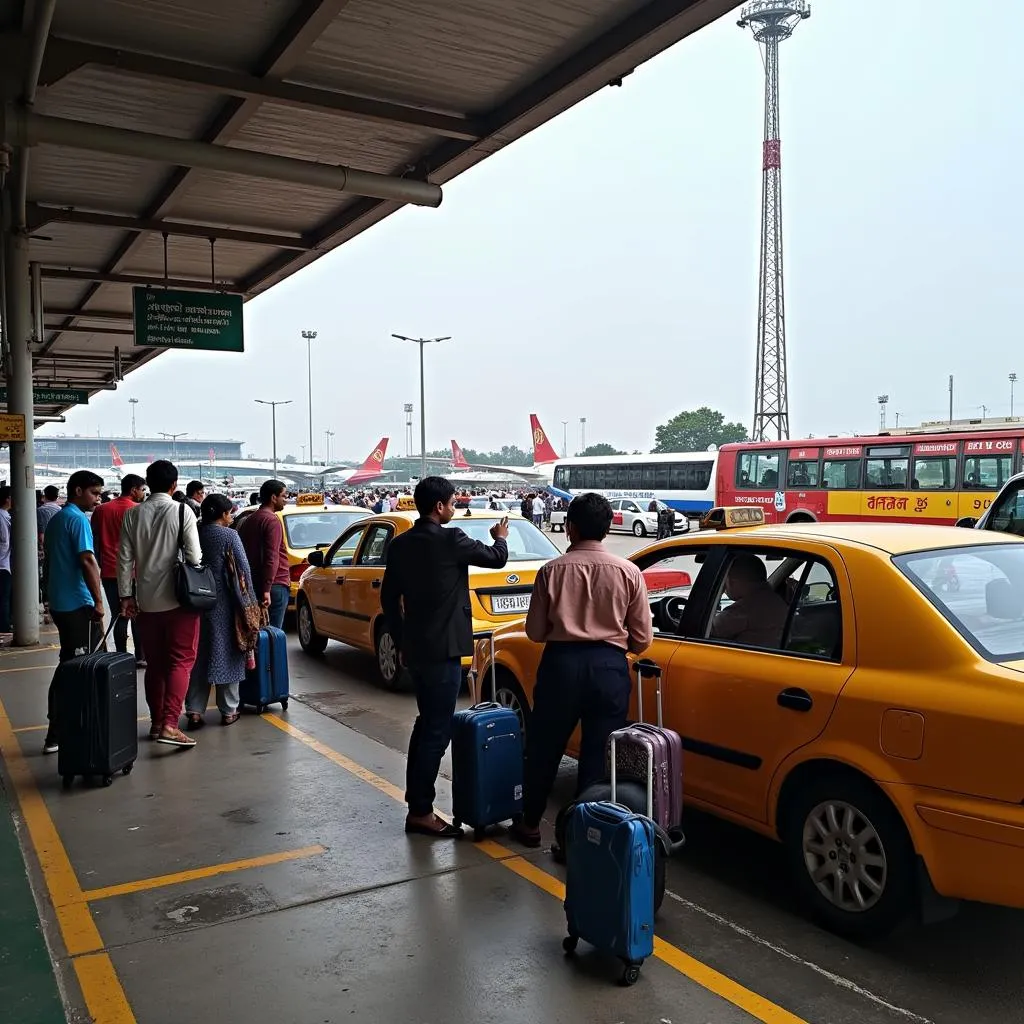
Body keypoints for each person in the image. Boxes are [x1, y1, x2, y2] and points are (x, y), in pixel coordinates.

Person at [511, 492, 653, 848]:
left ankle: (529, 825)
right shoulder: (629, 572)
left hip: (561, 665)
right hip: (609, 669)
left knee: (545, 747)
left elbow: (535, 632)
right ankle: (577, 837)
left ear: (570, 528)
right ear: (607, 529)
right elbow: (642, 639)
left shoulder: (550, 571)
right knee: (596, 755)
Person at [381, 476, 509, 839]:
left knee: (426, 725)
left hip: (417, 648)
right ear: (439, 506)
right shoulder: (452, 540)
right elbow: (496, 559)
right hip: (444, 652)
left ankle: (416, 803)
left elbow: (389, 599)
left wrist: (401, 638)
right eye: (452, 502)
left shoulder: (401, 544)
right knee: (436, 732)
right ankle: (421, 811)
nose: (454, 507)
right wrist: (500, 536)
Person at [118, 460, 202, 749]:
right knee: (181, 661)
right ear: (174, 485)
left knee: (155, 664)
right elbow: (194, 556)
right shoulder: (182, 510)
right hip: (179, 600)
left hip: (145, 601)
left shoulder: (133, 514)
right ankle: (169, 723)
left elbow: (124, 559)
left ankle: (156, 723)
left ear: (146, 485)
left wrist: (126, 596)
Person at [41, 471, 106, 755]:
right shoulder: (77, 519)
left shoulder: (57, 518)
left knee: (69, 662)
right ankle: (61, 730)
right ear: (78, 490)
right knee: (80, 667)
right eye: (94, 493)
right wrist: (98, 601)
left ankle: (59, 726)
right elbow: (88, 560)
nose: (98, 498)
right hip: (78, 604)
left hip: (60, 601)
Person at [184, 494, 258, 728]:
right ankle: (228, 711)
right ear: (223, 514)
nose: (231, 517)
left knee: (198, 657)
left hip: (195, 601)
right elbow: (243, 570)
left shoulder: (195, 532)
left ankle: (195, 711)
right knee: (229, 653)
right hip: (226, 603)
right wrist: (251, 603)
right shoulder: (229, 535)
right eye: (230, 513)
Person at [91, 474, 147, 666]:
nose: (143, 493)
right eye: (142, 489)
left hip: (108, 571)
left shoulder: (101, 510)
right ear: (133, 490)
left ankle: (121, 656)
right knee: (137, 615)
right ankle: (141, 656)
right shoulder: (138, 510)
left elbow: (95, 539)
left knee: (119, 614)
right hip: (133, 571)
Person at [237, 479, 290, 630]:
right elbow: (272, 557)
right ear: (274, 498)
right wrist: (267, 589)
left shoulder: (250, 519)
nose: (285, 501)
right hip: (275, 584)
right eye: (283, 496)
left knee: (259, 632)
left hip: (254, 582)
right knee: (273, 633)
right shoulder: (272, 520)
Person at [710, 553, 789, 649]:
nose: (725, 587)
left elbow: (709, 629)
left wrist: (716, 593)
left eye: (725, 582)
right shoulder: (776, 601)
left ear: (733, 582)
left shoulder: (743, 609)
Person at [0, 487, 11, 636]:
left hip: (5, 563)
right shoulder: (2, 516)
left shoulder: (5, 515)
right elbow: (5, 541)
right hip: (3, 564)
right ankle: (3, 627)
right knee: (4, 599)